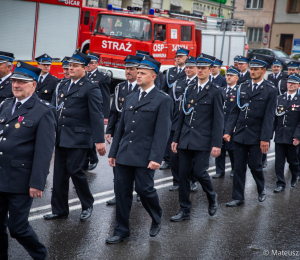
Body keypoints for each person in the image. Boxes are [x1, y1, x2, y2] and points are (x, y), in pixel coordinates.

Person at [106, 56, 173, 244]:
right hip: (125, 153)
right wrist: (113, 153)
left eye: (142, 73)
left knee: (145, 190)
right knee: (122, 193)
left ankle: (156, 215)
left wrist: (156, 158)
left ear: (153, 76)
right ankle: (121, 231)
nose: (138, 75)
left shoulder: (162, 100)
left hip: (145, 155)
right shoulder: (130, 97)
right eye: (138, 72)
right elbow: (122, 128)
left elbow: (162, 133)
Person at [0, 61, 56, 260]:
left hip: (20, 180)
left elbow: (44, 151)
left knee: (17, 228)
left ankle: (41, 255)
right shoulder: (5, 105)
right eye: (14, 80)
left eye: (22, 82)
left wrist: (37, 183)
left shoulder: (44, 111)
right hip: (0, 174)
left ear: (34, 85)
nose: (16, 85)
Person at [43, 51, 106, 222]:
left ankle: (87, 204)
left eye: (75, 66)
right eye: (70, 66)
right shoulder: (63, 85)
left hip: (79, 137)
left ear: (84, 68)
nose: (70, 68)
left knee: (75, 171)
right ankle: (60, 209)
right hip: (62, 136)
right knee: (59, 174)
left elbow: (96, 115)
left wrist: (99, 140)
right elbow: (58, 110)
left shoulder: (91, 87)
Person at [170, 53, 223, 221]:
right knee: (183, 175)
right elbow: (182, 117)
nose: (200, 70)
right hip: (185, 138)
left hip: (203, 139)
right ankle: (184, 210)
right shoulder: (189, 89)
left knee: (200, 173)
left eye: (203, 68)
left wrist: (217, 144)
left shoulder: (215, 91)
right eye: (198, 67)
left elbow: (218, 120)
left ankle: (211, 196)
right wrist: (176, 139)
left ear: (210, 70)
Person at [224, 57, 277, 207]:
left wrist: (265, 138)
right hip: (240, 134)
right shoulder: (243, 86)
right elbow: (235, 111)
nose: (252, 72)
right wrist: (228, 130)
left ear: (263, 71)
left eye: (255, 69)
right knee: (239, 167)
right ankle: (238, 197)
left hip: (256, 135)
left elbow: (269, 117)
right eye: (251, 69)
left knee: (255, 166)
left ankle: (261, 189)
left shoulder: (270, 90)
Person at [105, 55, 143, 206]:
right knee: (118, 165)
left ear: (137, 71)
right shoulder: (120, 87)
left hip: (138, 131)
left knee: (138, 163)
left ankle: (140, 191)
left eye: (132, 69)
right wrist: (109, 130)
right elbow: (114, 111)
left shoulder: (143, 88)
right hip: (121, 131)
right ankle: (118, 194)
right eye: (127, 68)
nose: (128, 72)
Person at [168, 56, 199, 192]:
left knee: (190, 157)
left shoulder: (200, 84)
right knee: (174, 156)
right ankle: (176, 181)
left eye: (191, 67)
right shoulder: (178, 83)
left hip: (192, 125)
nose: (188, 69)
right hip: (176, 124)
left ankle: (193, 180)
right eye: (187, 67)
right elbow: (171, 104)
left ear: (197, 69)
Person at [161, 47, 189, 170]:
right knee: (168, 133)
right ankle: (167, 159)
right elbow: (164, 89)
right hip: (170, 106)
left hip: (182, 107)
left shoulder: (189, 71)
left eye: (181, 56)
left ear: (186, 57)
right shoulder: (170, 71)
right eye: (177, 56)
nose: (178, 58)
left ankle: (179, 158)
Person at [83, 52, 111, 171]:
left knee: (92, 136)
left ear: (97, 64)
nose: (89, 65)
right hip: (84, 111)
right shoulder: (83, 76)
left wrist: (105, 115)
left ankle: (93, 158)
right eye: (88, 63)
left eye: (92, 63)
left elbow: (105, 97)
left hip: (96, 111)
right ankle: (88, 158)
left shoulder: (102, 78)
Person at [273, 73, 300, 192]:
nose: (290, 85)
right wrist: (269, 135)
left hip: (292, 136)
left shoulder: (299, 100)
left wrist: (297, 136)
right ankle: (280, 183)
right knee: (279, 161)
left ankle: (295, 176)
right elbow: (274, 118)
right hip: (280, 135)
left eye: (293, 83)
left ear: (298, 85)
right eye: (289, 83)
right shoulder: (279, 98)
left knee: (293, 161)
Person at [213, 66, 240, 179]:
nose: (228, 77)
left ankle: (234, 169)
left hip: (232, 126)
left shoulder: (239, 91)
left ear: (237, 78)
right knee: (220, 148)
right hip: (220, 124)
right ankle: (220, 171)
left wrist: (235, 125)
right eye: (227, 75)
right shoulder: (221, 90)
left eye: (231, 76)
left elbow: (240, 110)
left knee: (232, 150)